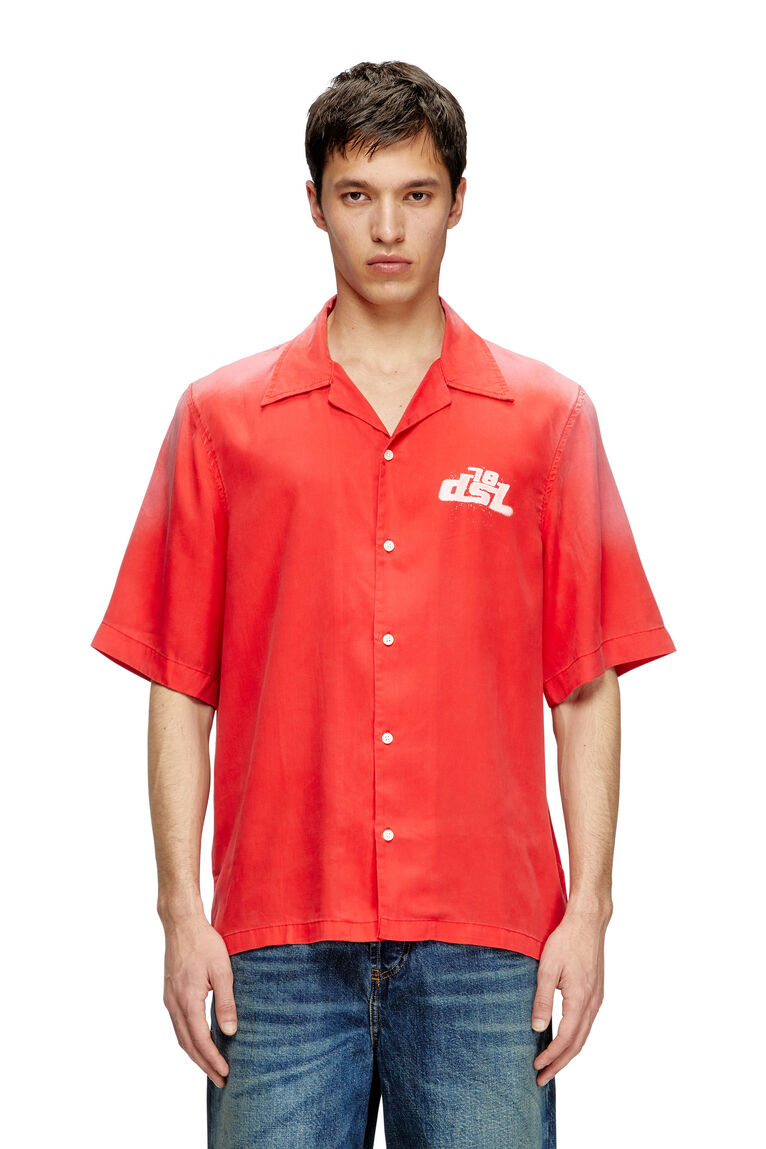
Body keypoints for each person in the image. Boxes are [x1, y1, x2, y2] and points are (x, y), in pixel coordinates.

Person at [90, 60, 676, 1148]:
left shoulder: (547, 421)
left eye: (416, 194)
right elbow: (179, 684)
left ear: (459, 201)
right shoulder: (222, 421)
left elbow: (586, 685)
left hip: (489, 944)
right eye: (357, 195)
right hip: (274, 945)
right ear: (314, 204)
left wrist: (591, 911)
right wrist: (179, 914)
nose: (389, 228)